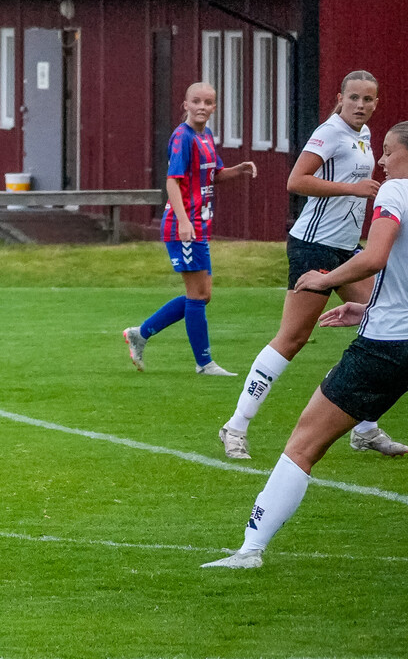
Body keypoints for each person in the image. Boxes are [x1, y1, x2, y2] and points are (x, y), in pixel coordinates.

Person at [203, 122, 408, 569]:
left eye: (389, 152)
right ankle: (364, 431)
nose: (381, 161)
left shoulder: (395, 193)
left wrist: (324, 279)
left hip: (386, 346)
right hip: (388, 326)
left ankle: (250, 549)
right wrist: (365, 306)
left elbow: (374, 258)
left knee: (303, 444)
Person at [219, 71, 406, 459]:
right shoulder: (330, 132)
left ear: (376, 103)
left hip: (346, 248)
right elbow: (296, 181)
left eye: (368, 99)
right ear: (340, 98)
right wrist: (352, 188)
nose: (360, 105)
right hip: (314, 246)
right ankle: (235, 426)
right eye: (353, 97)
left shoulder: (365, 134)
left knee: (381, 327)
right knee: (293, 338)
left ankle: (365, 428)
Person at [123, 82, 257, 375]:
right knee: (196, 295)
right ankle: (204, 363)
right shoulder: (182, 137)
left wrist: (239, 169)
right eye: (196, 101)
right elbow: (173, 181)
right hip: (184, 225)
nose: (201, 107)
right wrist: (184, 221)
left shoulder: (205, 135)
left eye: (208, 102)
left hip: (199, 224)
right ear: (185, 105)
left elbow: (214, 174)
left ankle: (140, 333)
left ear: (214, 107)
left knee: (203, 295)